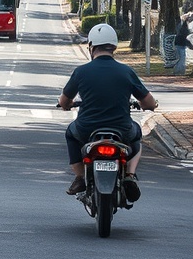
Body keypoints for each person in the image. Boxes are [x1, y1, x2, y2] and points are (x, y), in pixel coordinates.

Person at [59, 24, 157, 202]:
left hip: (86, 129)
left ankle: (80, 177)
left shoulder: (81, 72)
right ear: (114, 47)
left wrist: (68, 105)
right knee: (136, 137)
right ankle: (130, 176)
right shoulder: (126, 72)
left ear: (91, 47)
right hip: (121, 129)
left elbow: (64, 101)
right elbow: (149, 102)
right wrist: (149, 105)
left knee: (70, 134)